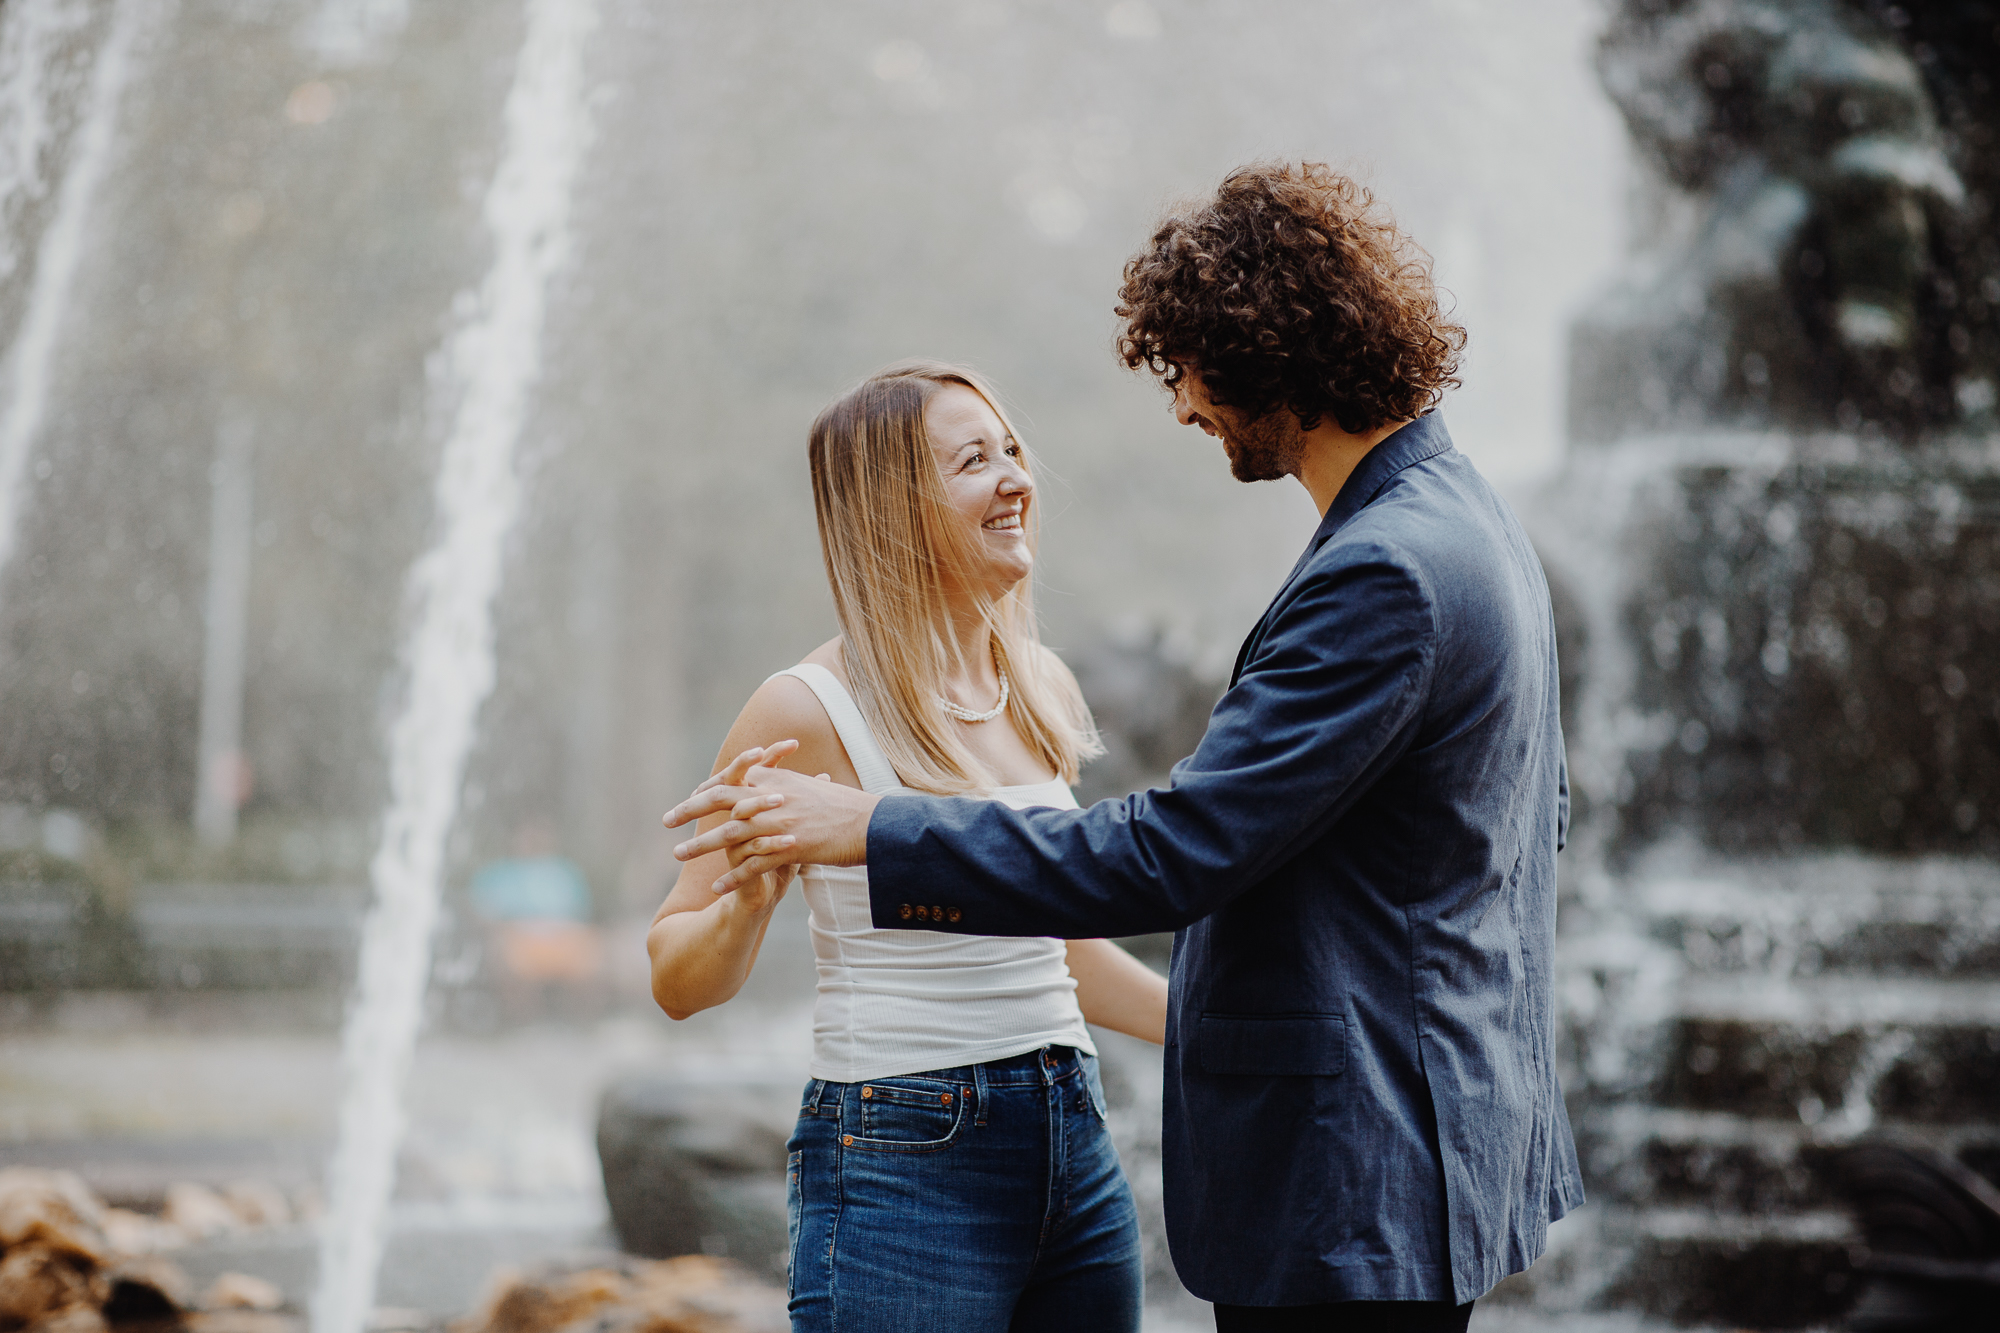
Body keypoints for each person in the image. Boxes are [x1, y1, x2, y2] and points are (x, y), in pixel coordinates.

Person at [667, 162, 1583, 1333]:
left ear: (1262, 349)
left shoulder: (1386, 568)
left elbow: (1173, 853)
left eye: (1187, 370)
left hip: (1351, 1172)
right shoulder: (1470, 522)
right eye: (974, 457)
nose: (1187, 407)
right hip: (1335, 1149)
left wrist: (871, 829)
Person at [645, 361, 1170, 1333]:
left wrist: (1219, 1033)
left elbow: (1056, 946)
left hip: (1074, 1136)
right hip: (903, 1152)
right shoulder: (806, 707)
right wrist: (748, 901)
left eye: (1011, 451)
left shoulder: (1038, 682)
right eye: (975, 461)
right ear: (895, 508)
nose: (1015, 478)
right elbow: (676, 976)